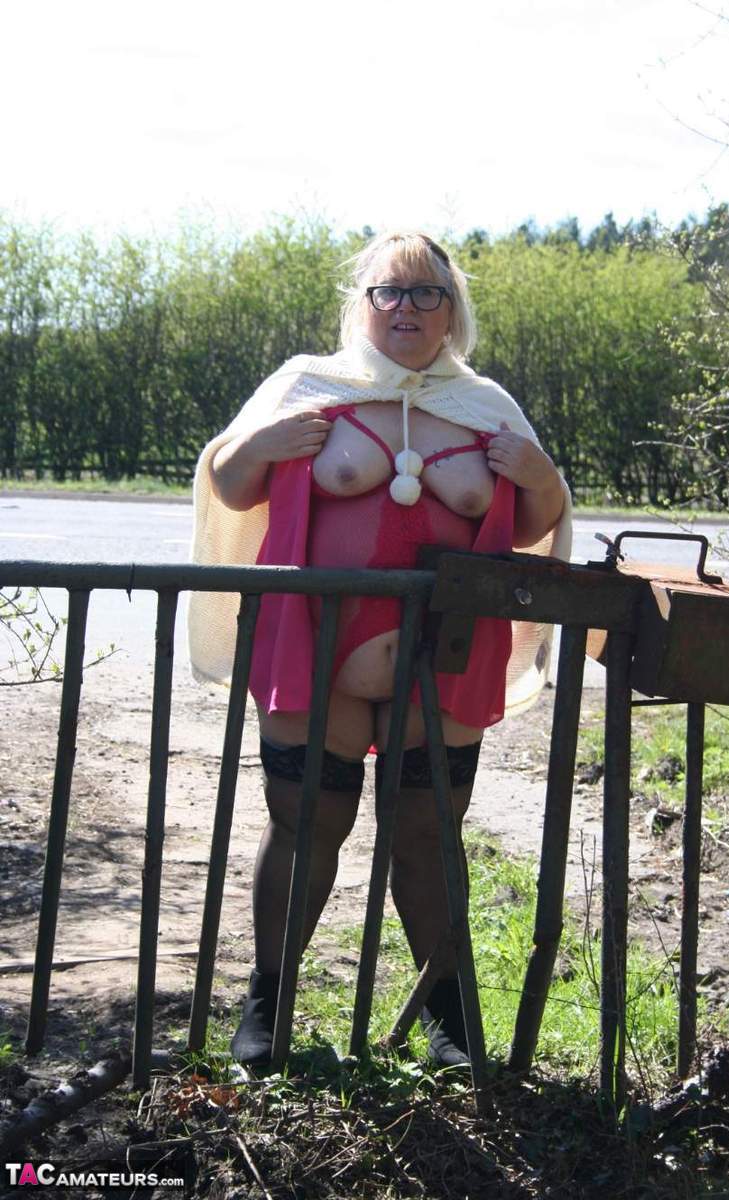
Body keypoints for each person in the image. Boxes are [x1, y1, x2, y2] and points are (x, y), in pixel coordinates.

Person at [189, 231, 572, 1068]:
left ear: (452, 310)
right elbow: (230, 485)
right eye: (389, 292)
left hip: (445, 662)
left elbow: (533, 522)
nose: (406, 308)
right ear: (362, 304)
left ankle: (448, 1021)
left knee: (428, 834)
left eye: (426, 293)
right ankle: (268, 1006)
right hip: (318, 653)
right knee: (304, 823)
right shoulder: (306, 383)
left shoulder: (486, 405)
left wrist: (541, 475)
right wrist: (261, 445)